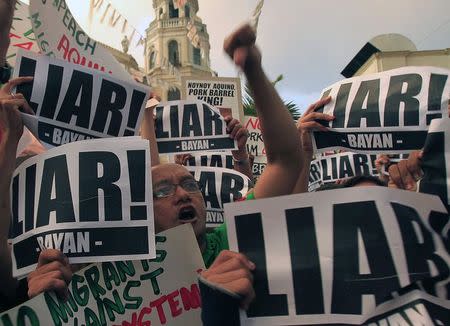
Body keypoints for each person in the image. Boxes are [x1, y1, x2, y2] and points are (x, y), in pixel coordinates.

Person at [174, 116, 254, 180]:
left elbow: (248, 191)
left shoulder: (236, 143)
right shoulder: (183, 149)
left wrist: (240, 153)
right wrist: (178, 166)